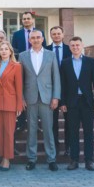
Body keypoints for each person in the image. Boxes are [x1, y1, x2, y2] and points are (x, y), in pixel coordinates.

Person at [18, 30, 61, 171]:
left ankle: (51, 159)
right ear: (29, 40)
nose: (36, 40)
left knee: (48, 130)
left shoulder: (51, 54)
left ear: (42, 39)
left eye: (38, 37)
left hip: (47, 97)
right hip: (29, 97)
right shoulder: (23, 56)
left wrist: (56, 97)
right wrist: (21, 97)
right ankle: (31, 159)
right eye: (33, 38)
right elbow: (20, 79)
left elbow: (56, 77)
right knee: (31, 130)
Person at [60, 36, 94, 171]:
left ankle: (89, 160)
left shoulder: (90, 62)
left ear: (82, 45)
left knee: (88, 132)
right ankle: (74, 160)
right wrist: (62, 102)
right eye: (72, 45)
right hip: (71, 103)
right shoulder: (65, 63)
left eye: (77, 45)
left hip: (87, 102)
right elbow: (62, 84)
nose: (75, 47)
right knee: (73, 132)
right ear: (70, 47)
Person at [0, 41, 23, 171]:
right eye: (1, 49)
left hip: (10, 103)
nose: (3, 51)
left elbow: (19, 87)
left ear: (10, 52)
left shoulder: (17, 66)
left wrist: (19, 105)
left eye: (6, 49)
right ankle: (2, 156)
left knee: (9, 132)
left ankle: (7, 159)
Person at [45, 26, 72, 156]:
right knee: (52, 122)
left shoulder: (70, 49)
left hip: (68, 90)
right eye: (54, 34)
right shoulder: (45, 50)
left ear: (63, 34)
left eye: (58, 33)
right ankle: (54, 146)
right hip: (51, 90)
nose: (56, 36)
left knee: (69, 121)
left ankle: (69, 147)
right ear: (50, 35)